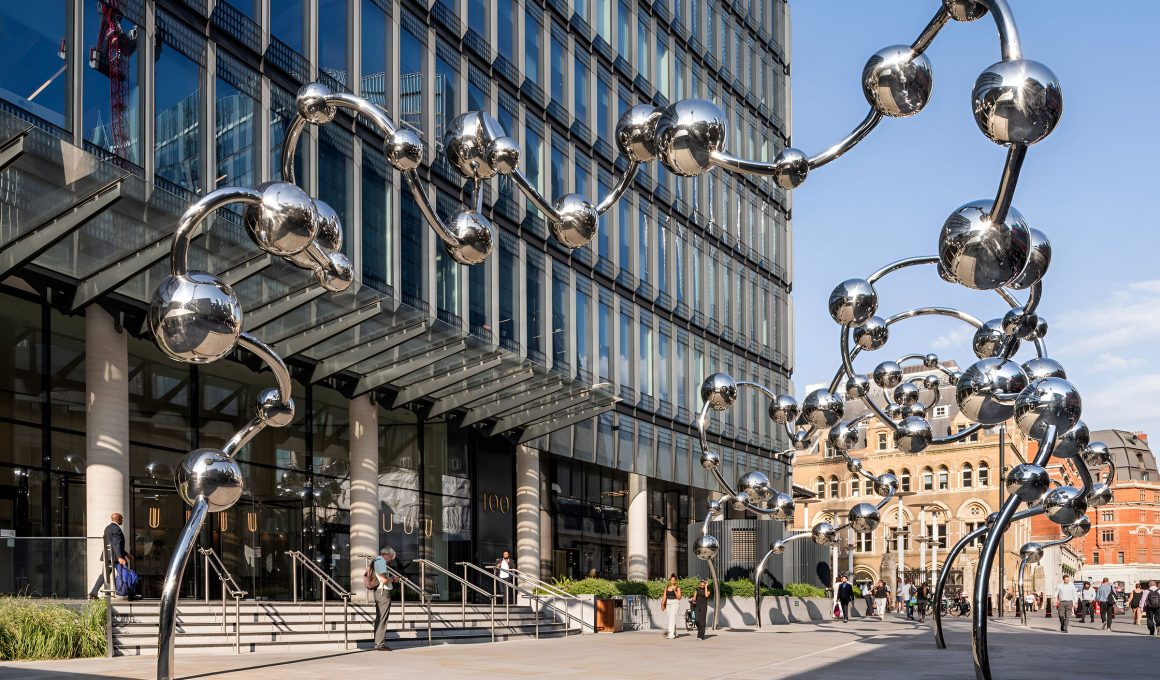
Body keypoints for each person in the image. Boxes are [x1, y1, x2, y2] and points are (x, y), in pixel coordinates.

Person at [88, 512, 130, 600]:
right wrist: (120, 557)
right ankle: (127, 593)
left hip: (108, 556)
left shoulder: (107, 528)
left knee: (104, 575)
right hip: (115, 557)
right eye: (121, 519)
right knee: (125, 573)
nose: (122, 520)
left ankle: (93, 593)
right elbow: (116, 544)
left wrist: (126, 554)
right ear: (118, 519)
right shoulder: (117, 529)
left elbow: (112, 543)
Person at [370, 546, 399, 651]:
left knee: (379, 618)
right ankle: (379, 644)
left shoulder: (376, 560)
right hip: (383, 592)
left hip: (378, 592)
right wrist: (394, 579)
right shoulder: (381, 562)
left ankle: (378, 643)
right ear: (388, 555)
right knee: (382, 619)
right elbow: (384, 579)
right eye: (391, 558)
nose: (391, 560)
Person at [660, 574, 682, 639]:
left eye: (674, 580)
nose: (672, 581)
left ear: (675, 581)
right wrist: (662, 604)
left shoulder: (678, 588)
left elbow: (679, 597)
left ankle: (671, 634)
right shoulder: (666, 587)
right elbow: (664, 596)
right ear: (670, 581)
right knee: (670, 618)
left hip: (675, 603)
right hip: (668, 603)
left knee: (672, 617)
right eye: (671, 580)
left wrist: (674, 590)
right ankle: (674, 632)